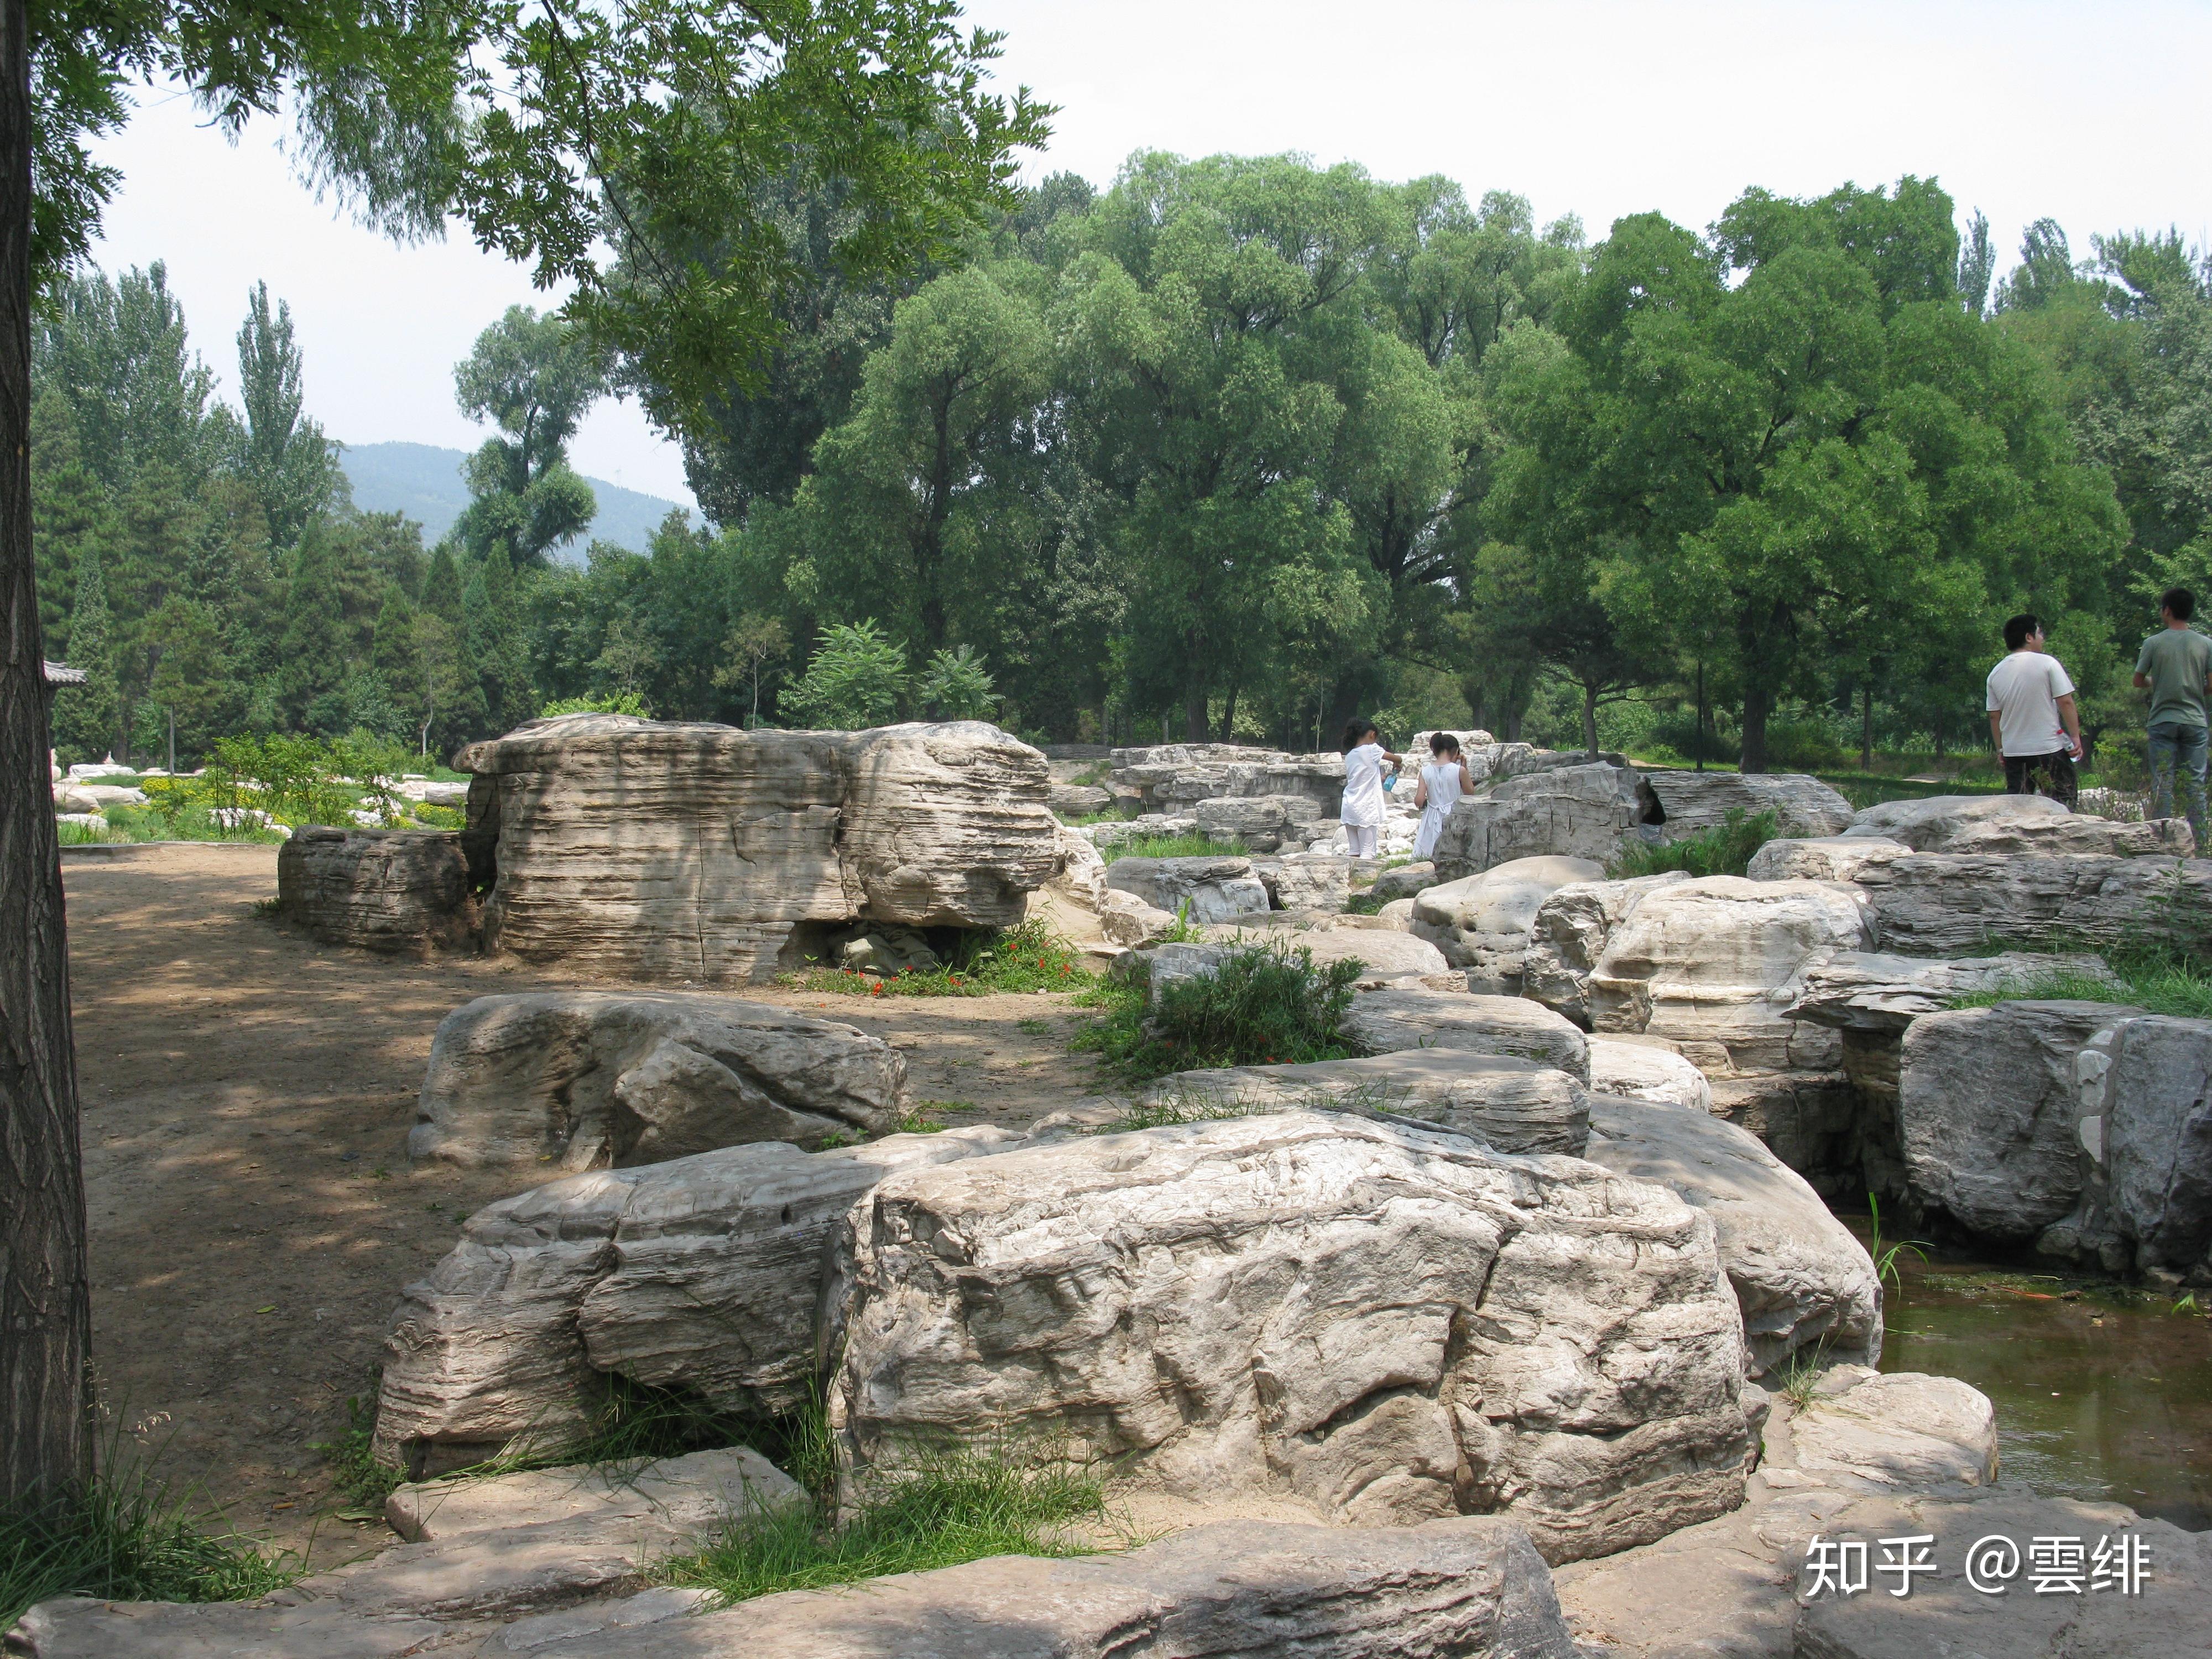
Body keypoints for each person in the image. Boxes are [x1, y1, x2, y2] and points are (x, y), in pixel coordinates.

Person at [2134, 585, 2212, 852]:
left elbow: (2137, 680)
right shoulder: (2205, 644)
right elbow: (2211, 684)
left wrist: (2159, 683)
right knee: (2195, 783)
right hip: (2195, 720)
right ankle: (2200, 845)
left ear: (2167, 611)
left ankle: (2161, 844)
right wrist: (2193, 688)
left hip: (2163, 719)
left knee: (2162, 782)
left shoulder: (2153, 643)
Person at [1986, 613, 2081, 808]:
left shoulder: (1996, 672)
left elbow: (1994, 716)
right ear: (2029, 637)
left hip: (2014, 752)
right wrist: (2075, 736)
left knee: (2018, 808)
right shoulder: (2048, 663)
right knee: (2064, 803)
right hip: (2049, 749)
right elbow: (2066, 702)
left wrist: (2001, 748)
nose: (2042, 638)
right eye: (2039, 633)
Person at [1338, 718, 1403, 859]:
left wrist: (1382, 778)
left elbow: (1360, 779)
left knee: (1354, 851)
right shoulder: (1371, 749)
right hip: (1366, 807)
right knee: (1368, 852)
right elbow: (1397, 758)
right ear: (1372, 735)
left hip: (1350, 805)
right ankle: (1367, 878)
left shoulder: (1350, 755)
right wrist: (1398, 764)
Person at [1413, 731, 1477, 860]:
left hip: (1432, 814)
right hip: (1453, 812)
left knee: (1428, 850)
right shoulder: (1460, 770)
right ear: (1456, 751)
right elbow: (1470, 792)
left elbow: (1418, 801)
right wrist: (1465, 768)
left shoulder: (1425, 771)